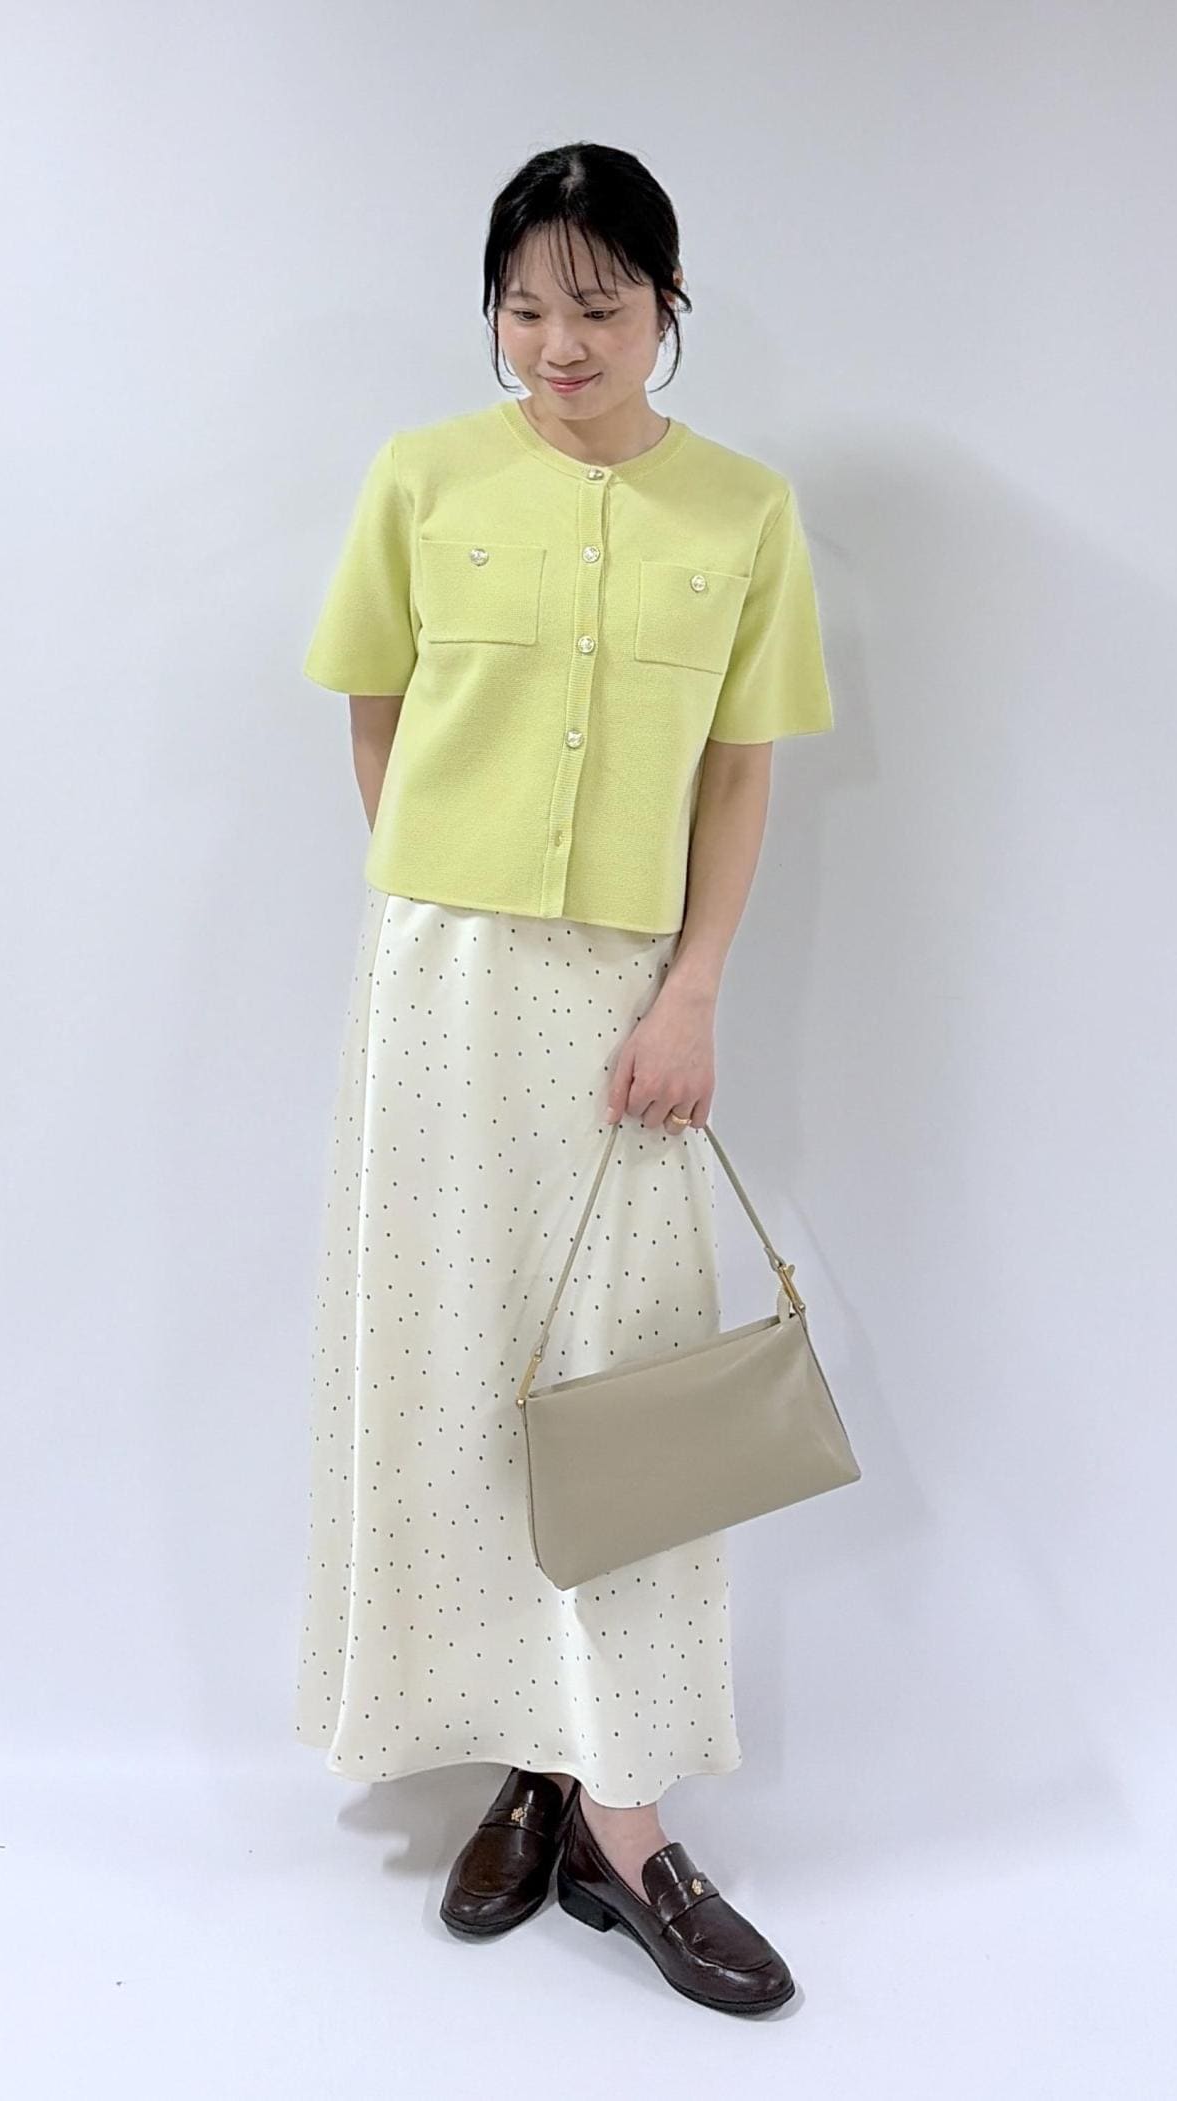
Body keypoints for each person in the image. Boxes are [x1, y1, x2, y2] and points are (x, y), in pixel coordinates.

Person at [293, 140, 833, 2016]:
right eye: (525, 307)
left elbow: (740, 770)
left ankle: (629, 1814)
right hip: (440, 985)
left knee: (626, 1381)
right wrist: (443, 908)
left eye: (598, 304)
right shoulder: (424, 477)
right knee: (458, 1361)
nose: (558, 341)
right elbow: (376, 712)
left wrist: (692, 988)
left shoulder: (744, 511)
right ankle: (529, 1757)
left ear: (667, 306)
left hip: (628, 997)